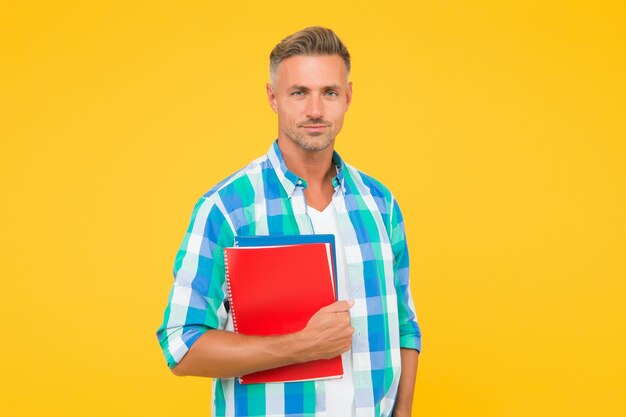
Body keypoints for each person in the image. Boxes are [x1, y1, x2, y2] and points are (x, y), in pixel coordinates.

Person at [157, 26, 421, 417]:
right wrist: (301, 346)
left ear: (347, 98)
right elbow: (181, 346)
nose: (315, 110)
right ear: (273, 98)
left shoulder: (380, 204)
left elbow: (404, 324)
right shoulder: (227, 208)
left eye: (329, 92)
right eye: (299, 92)